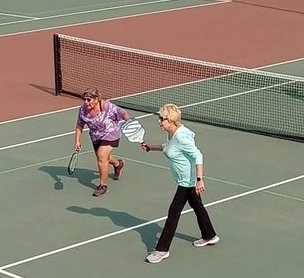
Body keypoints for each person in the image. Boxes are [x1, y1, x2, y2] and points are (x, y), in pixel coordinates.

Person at [140, 104, 218, 264]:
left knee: (174, 211)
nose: (159, 121)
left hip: (188, 182)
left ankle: (162, 249)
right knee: (197, 206)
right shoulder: (172, 134)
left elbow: (198, 156)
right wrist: (151, 147)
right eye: (159, 118)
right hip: (185, 180)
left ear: (171, 120)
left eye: (162, 119)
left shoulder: (181, 137)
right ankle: (209, 235)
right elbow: (168, 147)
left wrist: (199, 179)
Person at [74, 88, 129, 197]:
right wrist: (77, 140)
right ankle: (118, 164)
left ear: (97, 99)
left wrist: (131, 126)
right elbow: (80, 125)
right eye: (84, 99)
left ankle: (103, 186)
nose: (86, 102)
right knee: (103, 158)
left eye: (89, 100)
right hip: (96, 136)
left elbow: (123, 114)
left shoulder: (108, 107)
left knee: (101, 155)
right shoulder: (82, 110)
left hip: (111, 133)